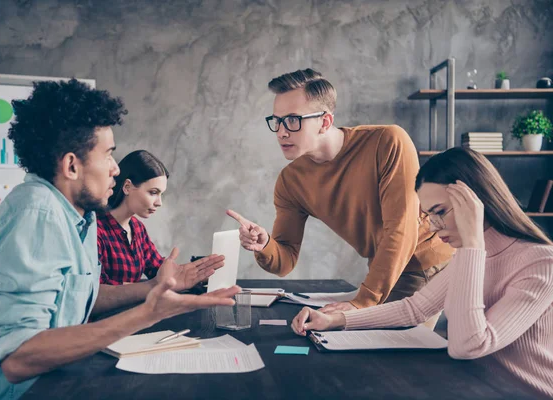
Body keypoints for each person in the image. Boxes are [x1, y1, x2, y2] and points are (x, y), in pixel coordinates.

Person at [0, 79, 239, 400]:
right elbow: (19, 358)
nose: (115, 169)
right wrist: (149, 312)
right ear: (72, 165)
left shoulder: (82, 215)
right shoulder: (37, 213)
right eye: (108, 155)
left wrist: (153, 288)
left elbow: (81, 297)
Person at [291, 147, 553, 398]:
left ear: (476, 203)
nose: (436, 227)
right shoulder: (472, 256)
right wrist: (335, 320)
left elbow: (470, 344)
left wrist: (472, 243)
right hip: (477, 387)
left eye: (440, 212)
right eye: (429, 216)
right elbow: (414, 309)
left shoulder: (540, 263)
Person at [228, 68, 453, 310]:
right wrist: (264, 245)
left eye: (293, 120)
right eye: (277, 121)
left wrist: (360, 304)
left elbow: (400, 231)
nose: (281, 132)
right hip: (382, 269)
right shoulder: (290, 181)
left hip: (427, 263)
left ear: (325, 122)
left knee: (382, 344)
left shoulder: (388, 142)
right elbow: (285, 261)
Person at [97, 149, 224, 290]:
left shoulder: (137, 228)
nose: (159, 202)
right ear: (127, 187)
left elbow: (158, 270)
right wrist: (151, 286)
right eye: (153, 193)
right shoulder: (96, 229)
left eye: (161, 194)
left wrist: (193, 274)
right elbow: (98, 289)